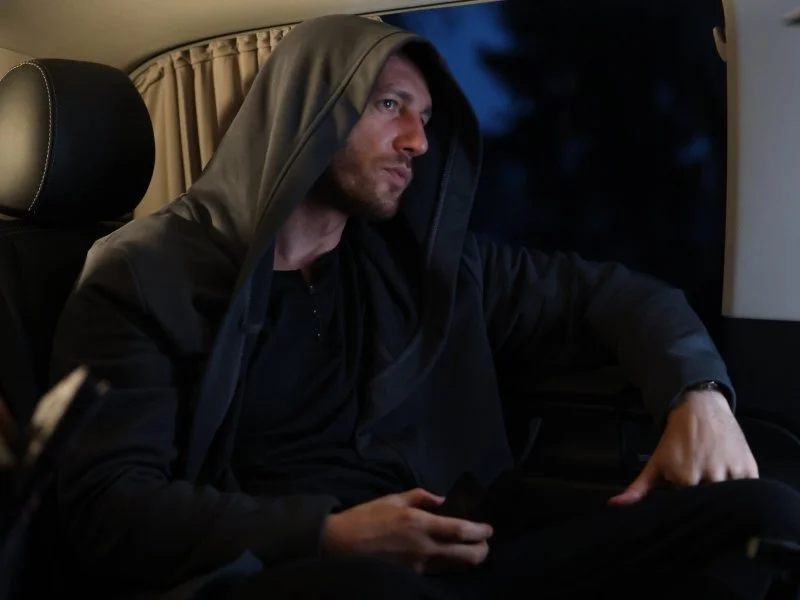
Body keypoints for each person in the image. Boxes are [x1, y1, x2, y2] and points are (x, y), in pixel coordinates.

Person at [50, 14, 800, 600]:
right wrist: (328, 533)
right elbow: (108, 506)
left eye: (426, 117)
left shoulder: (424, 266)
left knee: (763, 515)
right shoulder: (145, 274)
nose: (417, 140)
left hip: (466, 554)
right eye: (390, 106)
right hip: (281, 572)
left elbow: (613, 294)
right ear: (305, 112)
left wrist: (698, 393)